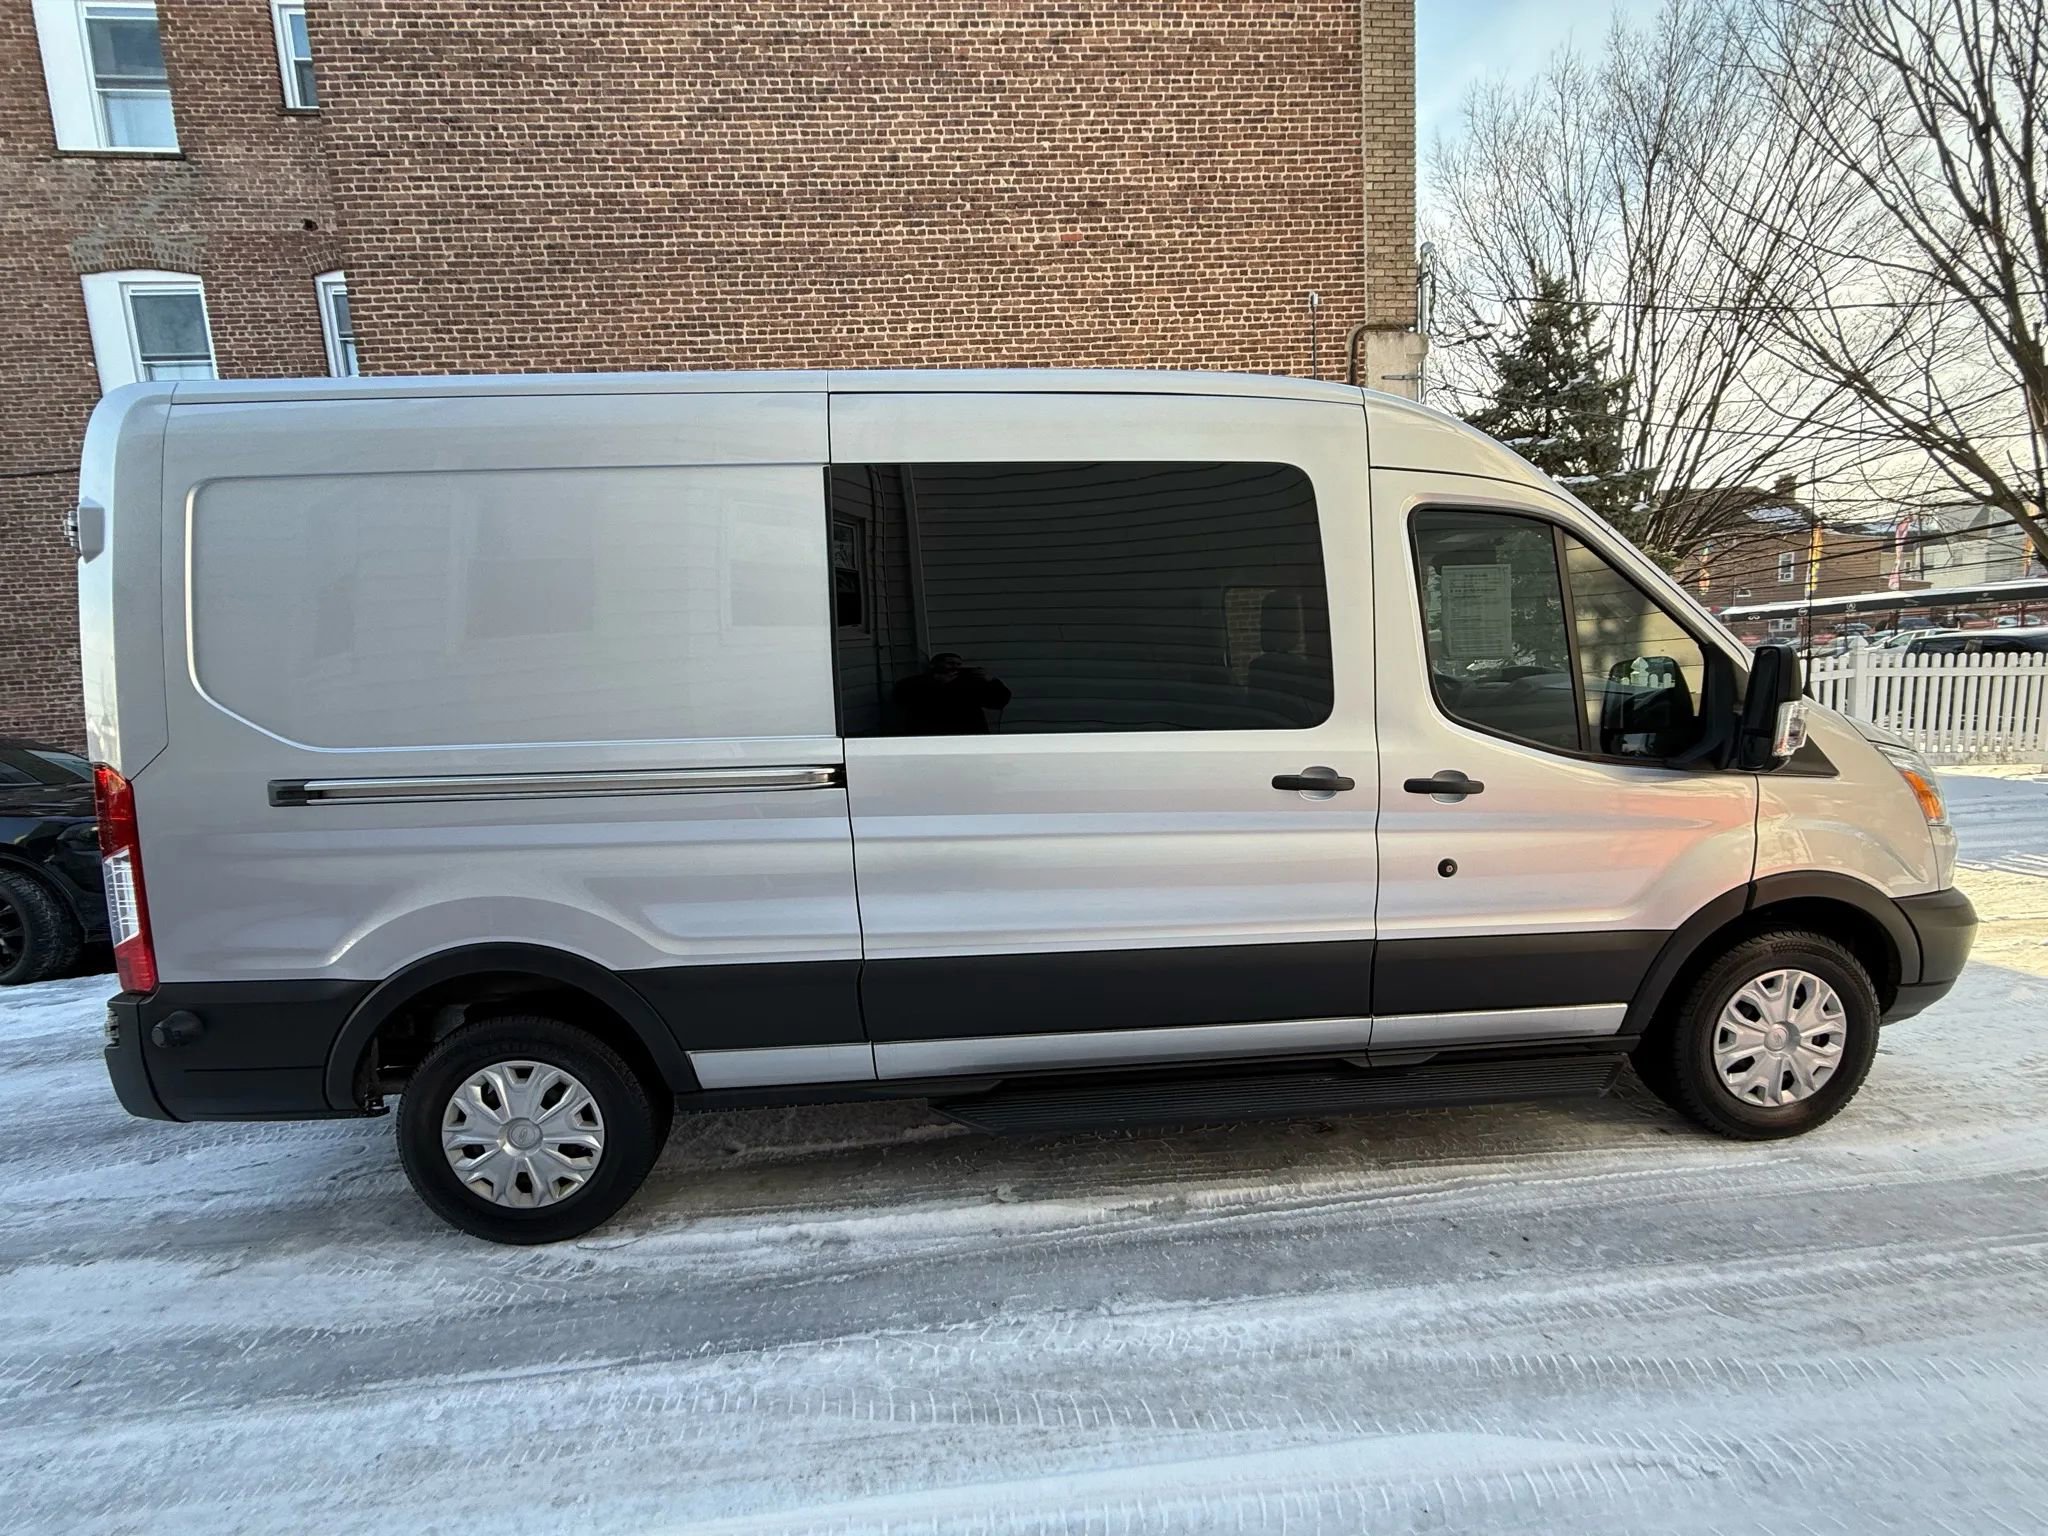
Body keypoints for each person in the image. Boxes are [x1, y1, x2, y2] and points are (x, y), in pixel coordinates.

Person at [894, 653, 1012, 734]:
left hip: (968, 734)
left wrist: (991, 680)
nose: (955, 667)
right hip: (931, 734)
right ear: (933, 665)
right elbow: (900, 698)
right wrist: (936, 683)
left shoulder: (971, 683)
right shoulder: (916, 682)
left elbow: (999, 700)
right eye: (950, 663)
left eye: (958, 664)